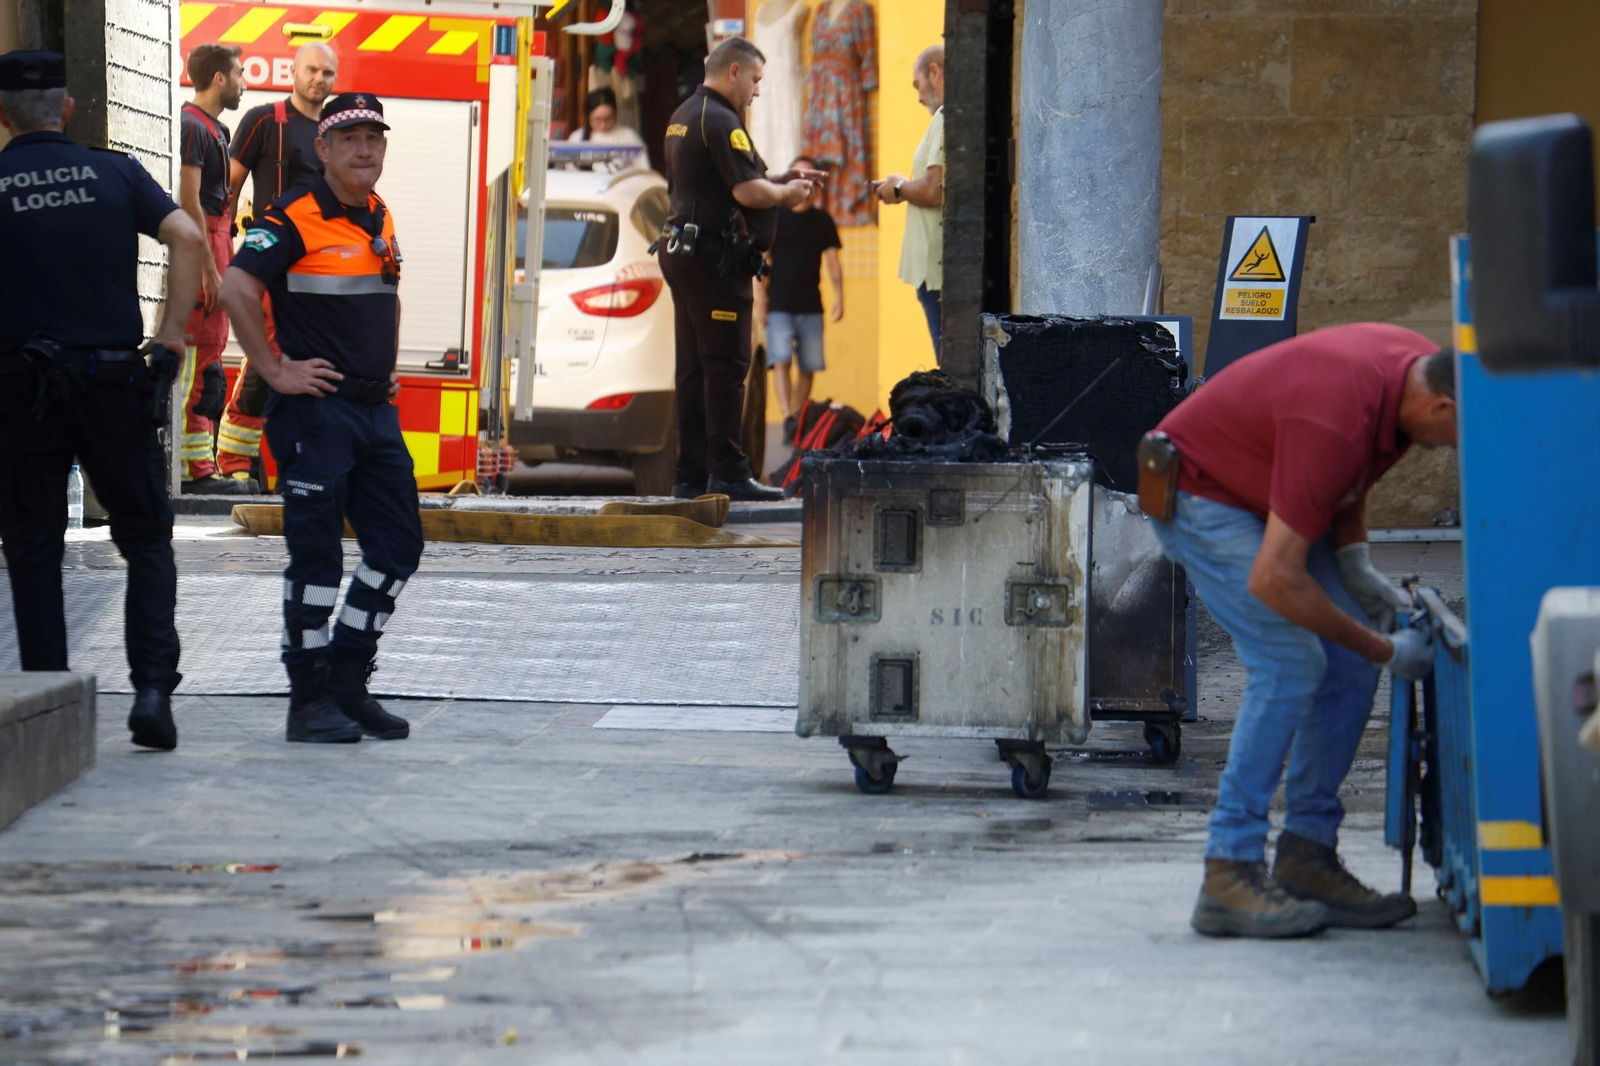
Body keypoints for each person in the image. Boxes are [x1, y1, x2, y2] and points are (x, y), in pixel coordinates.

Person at [1147, 323, 1458, 939]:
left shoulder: (1415, 376)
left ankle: (1306, 855)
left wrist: (1355, 562)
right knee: (1290, 661)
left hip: (1263, 492)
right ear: (1442, 407)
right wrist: (1386, 648)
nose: (1454, 451)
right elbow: (1274, 579)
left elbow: (1350, 471)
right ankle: (1228, 870)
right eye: (1459, 438)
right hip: (1201, 491)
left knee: (1347, 659)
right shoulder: (1337, 416)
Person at [0, 50, 206, 751]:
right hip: (114, 383)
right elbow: (188, 235)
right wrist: (171, 334)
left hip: (23, 390)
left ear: (4, 117)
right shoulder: (114, 172)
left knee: (33, 548)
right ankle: (152, 692)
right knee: (144, 537)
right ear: (66, 109)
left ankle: (48, 711)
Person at [220, 92, 421, 745]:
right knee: (315, 562)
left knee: (398, 547)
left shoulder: (379, 213)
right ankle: (308, 701)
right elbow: (236, 287)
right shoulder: (291, 216)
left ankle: (347, 679)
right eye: (350, 139)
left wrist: (387, 365)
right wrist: (275, 370)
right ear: (323, 149)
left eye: (374, 138)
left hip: (374, 411)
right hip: (316, 416)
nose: (365, 150)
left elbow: (386, 296)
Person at [659, 37, 816, 502]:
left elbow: (716, 182)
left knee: (693, 368)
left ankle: (690, 475)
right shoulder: (723, 121)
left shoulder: (684, 114)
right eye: (755, 79)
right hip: (713, 261)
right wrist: (787, 195)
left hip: (684, 252)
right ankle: (728, 472)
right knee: (726, 366)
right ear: (733, 72)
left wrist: (779, 179)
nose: (757, 90)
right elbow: (747, 192)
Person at [215, 41, 339, 487]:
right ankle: (233, 460)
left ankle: (299, 463)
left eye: (327, 73)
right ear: (293, 72)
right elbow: (227, 189)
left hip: (321, 270)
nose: (318, 79)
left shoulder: (335, 132)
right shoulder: (265, 121)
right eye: (311, 70)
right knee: (267, 357)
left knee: (315, 363)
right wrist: (225, 254)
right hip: (273, 264)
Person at [177, 43, 251, 495]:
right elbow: (189, 202)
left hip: (218, 244)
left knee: (210, 362)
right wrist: (208, 268)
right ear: (219, 78)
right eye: (239, 74)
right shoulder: (192, 126)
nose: (243, 83)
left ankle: (200, 463)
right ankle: (193, 471)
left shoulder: (213, 129)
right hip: (205, 248)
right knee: (197, 364)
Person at [754, 154, 843, 421]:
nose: (804, 181)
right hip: (778, 304)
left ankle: (796, 413)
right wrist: (760, 303)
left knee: (809, 365)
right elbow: (759, 263)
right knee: (780, 360)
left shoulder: (823, 221)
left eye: (810, 176)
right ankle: (787, 417)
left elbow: (833, 263)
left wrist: (840, 297)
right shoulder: (775, 218)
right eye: (798, 175)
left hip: (811, 305)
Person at [875, 45, 944, 360]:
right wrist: (900, 184)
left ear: (934, 72)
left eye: (918, 85)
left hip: (938, 274)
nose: (918, 97)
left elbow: (934, 191)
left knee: (950, 365)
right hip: (934, 272)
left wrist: (900, 189)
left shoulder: (944, 116)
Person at [565, 86, 648, 171]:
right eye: (597, 119)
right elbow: (571, 171)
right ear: (588, 116)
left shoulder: (628, 136)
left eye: (608, 119)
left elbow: (644, 170)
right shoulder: (576, 138)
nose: (603, 125)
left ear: (615, 114)